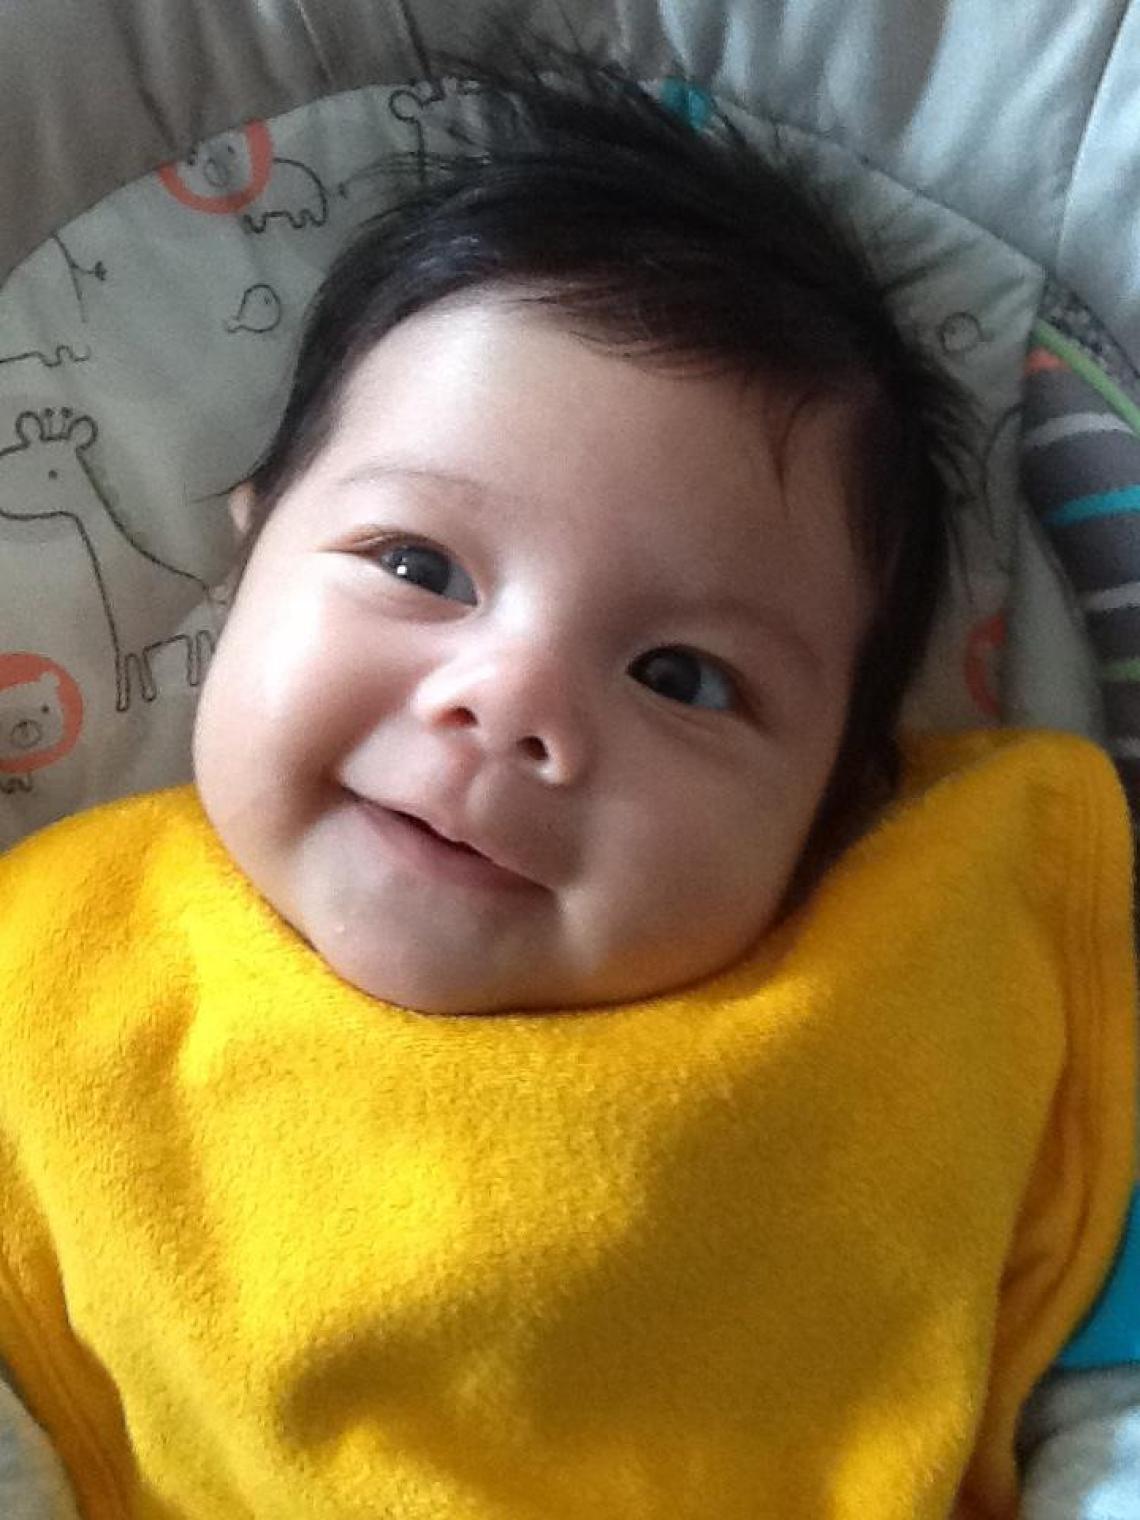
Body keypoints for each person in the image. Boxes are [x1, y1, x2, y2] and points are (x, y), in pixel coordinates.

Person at [0, 39, 1136, 1520]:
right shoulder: (66, 968)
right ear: (251, 547)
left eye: (681, 676)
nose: (510, 701)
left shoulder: (942, 973)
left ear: (841, 797)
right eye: (420, 567)